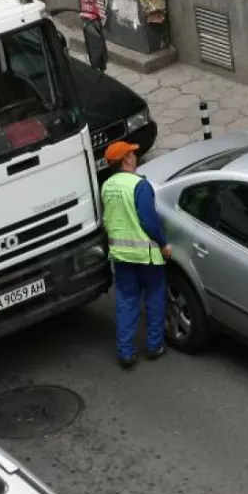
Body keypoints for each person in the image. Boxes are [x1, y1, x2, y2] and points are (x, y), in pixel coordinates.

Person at [100, 141, 172, 369]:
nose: (136, 156)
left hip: (121, 256)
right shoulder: (139, 185)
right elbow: (149, 221)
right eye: (133, 153)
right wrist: (163, 244)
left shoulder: (106, 186)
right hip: (146, 256)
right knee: (153, 299)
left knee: (126, 302)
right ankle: (154, 346)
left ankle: (126, 353)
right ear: (126, 160)